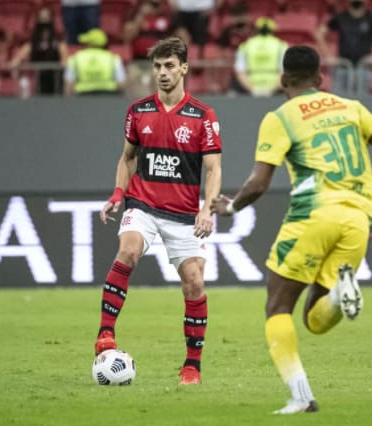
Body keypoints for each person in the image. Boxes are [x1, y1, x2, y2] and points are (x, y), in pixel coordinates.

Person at [211, 45, 372, 414]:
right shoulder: (350, 107)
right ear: (320, 79)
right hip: (358, 222)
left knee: (277, 306)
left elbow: (259, 183)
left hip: (314, 215)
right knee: (315, 318)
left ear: (284, 81)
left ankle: (301, 396)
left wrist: (231, 206)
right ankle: (338, 295)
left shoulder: (280, 117)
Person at [95, 37, 222, 386]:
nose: (162, 73)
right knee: (128, 249)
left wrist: (207, 209)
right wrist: (119, 193)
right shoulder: (139, 111)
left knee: (194, 282)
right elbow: (128, 157)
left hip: (183, 213)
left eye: (169, 66)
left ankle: (191, 366)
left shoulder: (202, 116)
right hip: (144, 204)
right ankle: (106, 334)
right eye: (157, 66)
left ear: (184, 68)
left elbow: (213, 169)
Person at [314, 0, 372, 94]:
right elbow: (319, 34)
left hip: (363, 68)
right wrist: (328, 56)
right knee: (340, 102)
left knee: (361, 101)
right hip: (343, 67)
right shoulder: (340, 17)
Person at [9, 6, 68, 96]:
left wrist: (64, 65)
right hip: (38, 79)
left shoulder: (58, 40)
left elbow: (64, 59)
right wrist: (16, 63)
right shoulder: (34, 40)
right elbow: (19, 56)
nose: (44, 19)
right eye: (42, 17)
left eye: (47, 17)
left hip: (55, 79)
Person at [233, 17, 288, 96]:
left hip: (250, 89)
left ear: (256, 30)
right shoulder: (281, 45)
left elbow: (240, 72)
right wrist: (271, 90)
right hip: (275, 91)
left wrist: (253, 90)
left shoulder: (245, 46)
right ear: (273, 31)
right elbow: (283, 72)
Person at [63, 29, 126, 95]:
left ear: (90, 44)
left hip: (82, 97)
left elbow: (68, 86)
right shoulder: (113, 59)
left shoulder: (75, 58)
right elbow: (121, 85)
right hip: (108, 97)